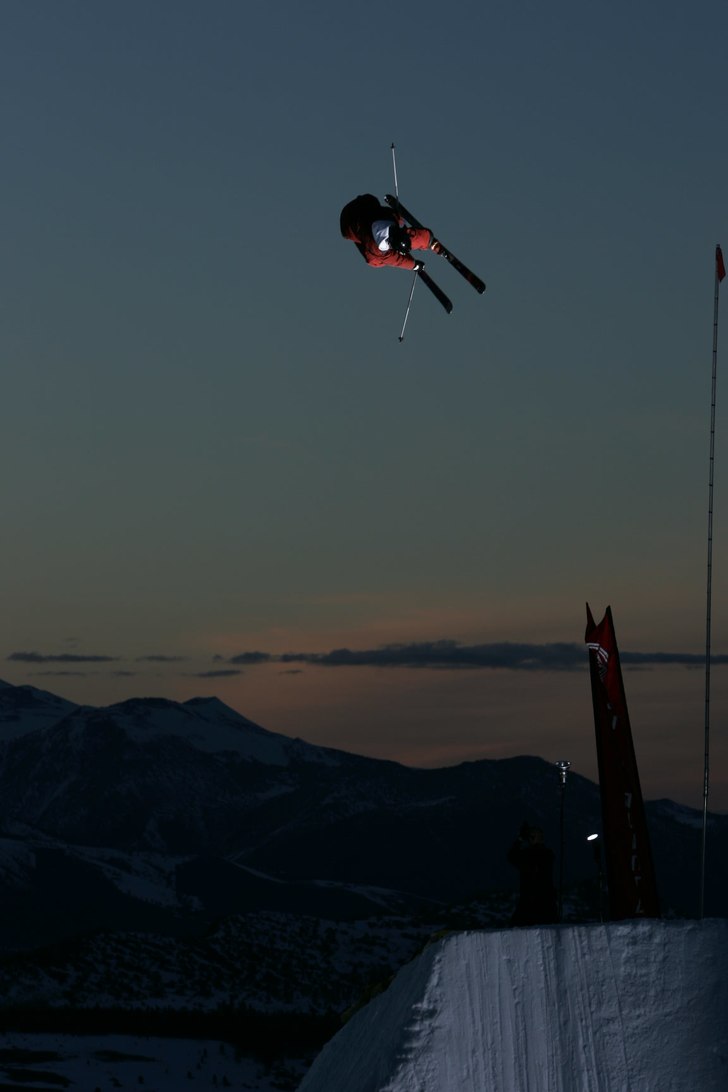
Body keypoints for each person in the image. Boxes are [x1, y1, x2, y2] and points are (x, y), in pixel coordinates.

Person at [339, 193, 441, 271]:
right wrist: (412, 265)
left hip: (360, 206)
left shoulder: (391, 220)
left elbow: (398, 259)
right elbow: (395, 259)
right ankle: (426, 240)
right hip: (349, 224)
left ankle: (427, 241)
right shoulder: (377, 250)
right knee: (374, 261)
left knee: (405, 235)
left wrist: (413, 265)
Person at [507, 822, 559, 926]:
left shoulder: (527, 855)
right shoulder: (548, 854)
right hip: (547, 900)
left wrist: (520, 839)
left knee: (518, 926)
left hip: (529, 900)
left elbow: (512, 856)